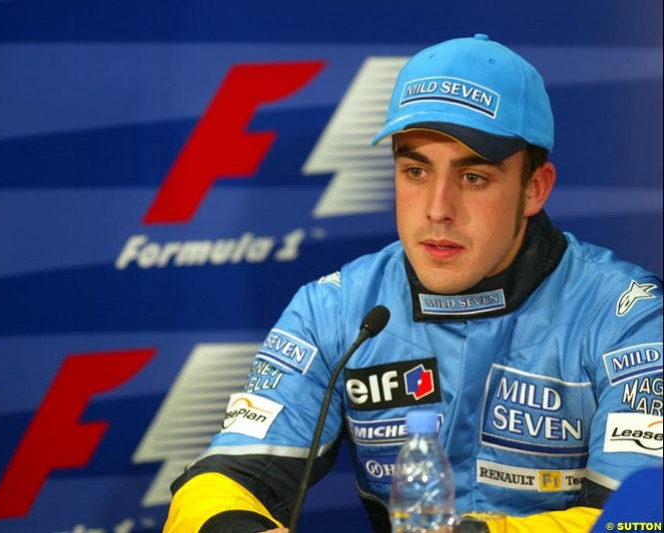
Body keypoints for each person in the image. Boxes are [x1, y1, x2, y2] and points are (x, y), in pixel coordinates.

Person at [163, 34, 663, 533]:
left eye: (473, 178)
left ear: (535, 187)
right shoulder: (337, 310)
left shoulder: (628, 319)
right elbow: (219, 483)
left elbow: (640, 520)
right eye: (416, 170)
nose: (437, 209)